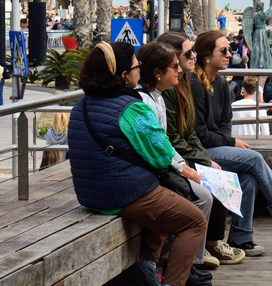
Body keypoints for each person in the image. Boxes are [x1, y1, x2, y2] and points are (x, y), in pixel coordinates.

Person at [67, 42, 208, 286]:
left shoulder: (81, 106)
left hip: (91, 193)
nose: (139, 71)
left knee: (167, 203)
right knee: (195, 221)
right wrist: (187, 171)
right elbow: (161, 154)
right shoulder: (132, 109)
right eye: (136, 66)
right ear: (124, 76)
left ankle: (148, 265)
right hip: (123, 193)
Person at [190, 30, 272, 256]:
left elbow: (224, 123)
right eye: (224, 50)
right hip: (198, 152)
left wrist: (227, 142)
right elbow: (199, 134)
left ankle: (241, 237)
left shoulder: (220, 83)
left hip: (216, 147)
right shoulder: (194, 85)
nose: (230, 54)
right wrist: (230, 142)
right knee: (254, 158)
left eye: (229, 50)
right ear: (206, 56)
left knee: (247, 177)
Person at [136, 41, 240, 271]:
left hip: (171, 163)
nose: (182, 68)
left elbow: (180, 136)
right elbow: (163, 144)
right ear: (157, 72)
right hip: (153, 173)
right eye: (176, 64)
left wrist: (193, 164)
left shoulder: (161, 95)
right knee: (204, 194)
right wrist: (186, 168)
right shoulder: (145, 100)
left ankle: (217, 244)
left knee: (226, 177)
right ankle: (190, 263)